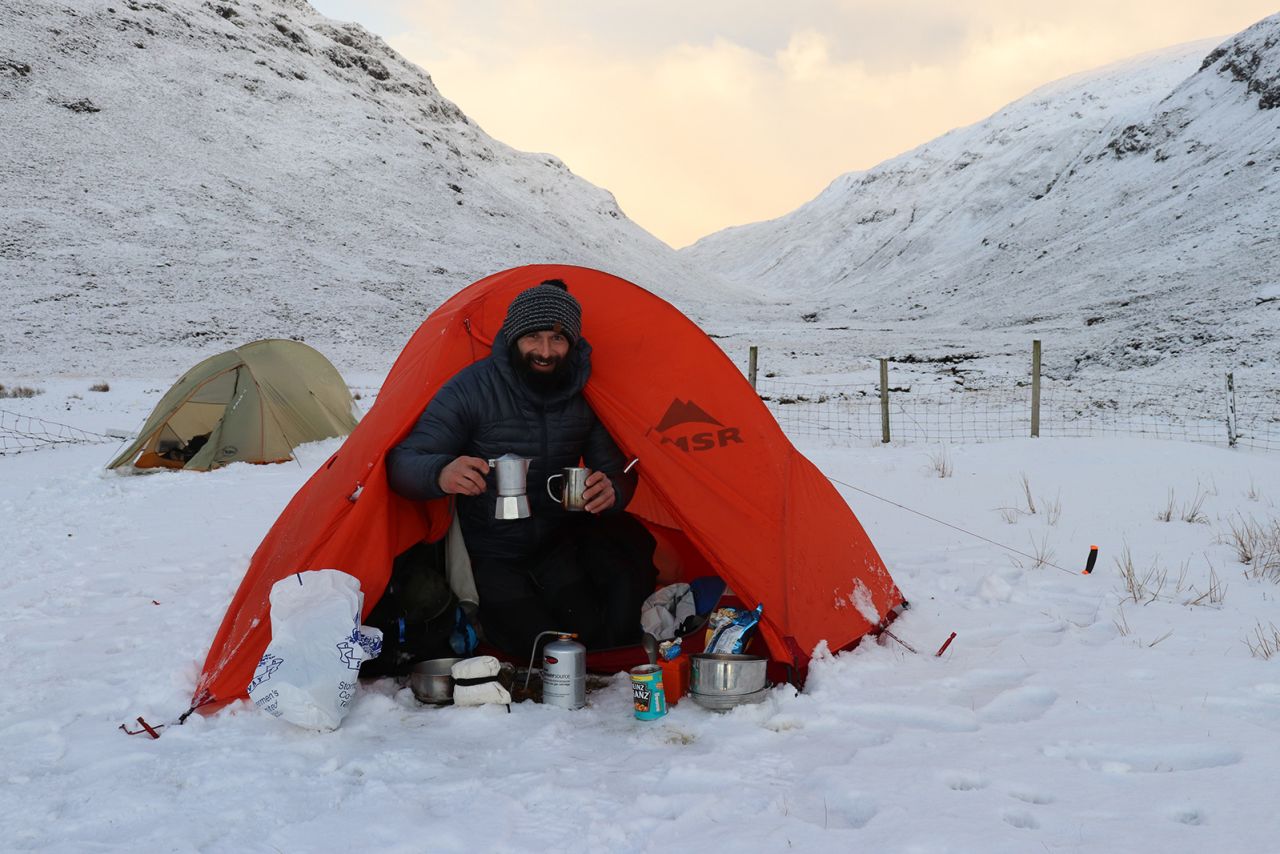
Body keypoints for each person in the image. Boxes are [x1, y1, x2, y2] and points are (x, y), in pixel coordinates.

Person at [386, 279, 657, 659]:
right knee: (535, 648)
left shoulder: (586, 394)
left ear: (572, 344)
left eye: (557, 340)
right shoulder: (471, 389)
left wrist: (613, 489)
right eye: (534, 338)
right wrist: (442, 472)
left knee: (587, 641)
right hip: (489, 551)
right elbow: (402, 462)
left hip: (556, 545)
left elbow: (618, 470)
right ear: (514, 338)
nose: (545, 352)